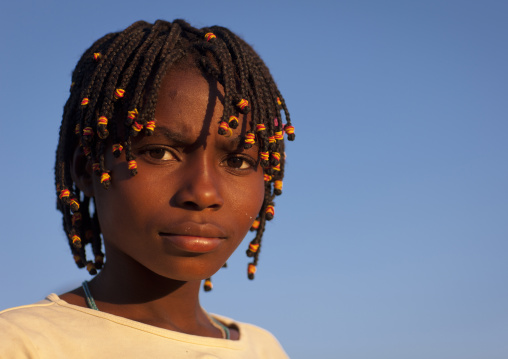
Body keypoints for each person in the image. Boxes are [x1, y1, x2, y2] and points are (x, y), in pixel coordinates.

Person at [0, 19, 295, 358]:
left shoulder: (261, 349)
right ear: (87, 170)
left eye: (238, 161)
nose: (203, 194)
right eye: (159, 153)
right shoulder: (25, 344)